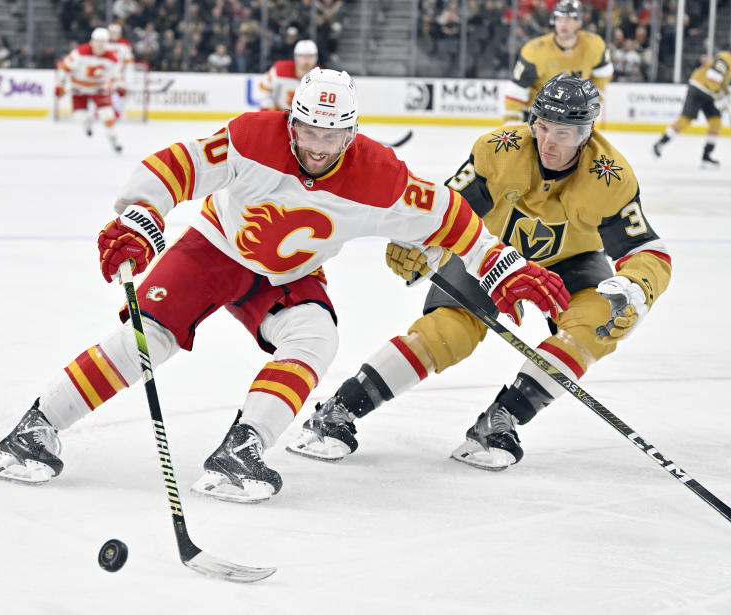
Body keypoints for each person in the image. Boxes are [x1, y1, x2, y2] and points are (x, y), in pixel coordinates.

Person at [0, 68, 569, 503]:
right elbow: (177, 164)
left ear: (351, 134)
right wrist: (141, 214)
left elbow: (449, 216)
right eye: (306, 130)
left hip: (289, 273)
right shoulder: (252, 138)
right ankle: (38, 425)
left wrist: (504, 267)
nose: (315, 147)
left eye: (329, 137)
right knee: (149, 337)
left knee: (316, 337)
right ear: (292, 120)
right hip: (215, 247)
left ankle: (242, 449)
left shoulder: (379, 176)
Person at [288, 74, 672, 471]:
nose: (548, 143)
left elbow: (647, 249)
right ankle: (338, 411)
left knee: (598, 322)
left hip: (570, 262)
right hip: (489, 253)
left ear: (587, 132)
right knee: (448, 333)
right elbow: (447, 208)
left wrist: (635, 287)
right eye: (541, 127)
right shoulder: (499, 150)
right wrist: (420, 242)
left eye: (563, 133)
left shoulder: (610, 177)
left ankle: (500, 421)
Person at [503, 0, 613, 124]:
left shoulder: (594, 45)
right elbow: (517, 89)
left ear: (580, 22)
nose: (563, 24)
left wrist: (592, 101)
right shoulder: (535, 50)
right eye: (559, 19)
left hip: (574, 118)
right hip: (538, 117)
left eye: (569, 19)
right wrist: (512, 123)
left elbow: (603, 75)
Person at [652, 36, 731, 167]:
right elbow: (713, 77)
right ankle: (660, 143)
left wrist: (725, 92)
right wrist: (720, 96)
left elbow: (721, 82)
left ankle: (706, 155)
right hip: (699, 88)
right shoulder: (725, 58)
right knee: (685, 119)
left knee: (716, 122)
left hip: (710, 93)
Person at [55, 27, 123, 153]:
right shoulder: (80, 52)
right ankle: (87, 124)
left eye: (102, 42)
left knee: (107, 114)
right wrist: (60, 85)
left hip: (98, 88)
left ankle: (113, 137)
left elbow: (115, 75)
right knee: (80, 116)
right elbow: (64, 68)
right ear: (92, 41)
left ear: (107, 43)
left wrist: (118, 85)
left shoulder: (112, 57)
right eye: (97, 41)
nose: (99, 45)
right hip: (78, 88)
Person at [258, 39, 318, 111]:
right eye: (303, 56)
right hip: (281, 115)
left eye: (310, 56)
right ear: (296, 56)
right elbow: (264, 88)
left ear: (316, 57)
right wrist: (268, 109)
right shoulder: (280, 69)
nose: (306, 60)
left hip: (305, 119)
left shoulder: (321, 76)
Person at [105, 23, 134, 121]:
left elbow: (129, 63)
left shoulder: (124, 44)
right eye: (112, 32)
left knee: (120, 93)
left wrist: (128, 79)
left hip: (119, 77)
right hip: (105, 76)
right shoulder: (104, 43)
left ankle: (118, 111)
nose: (114, 35)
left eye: (116, 32)